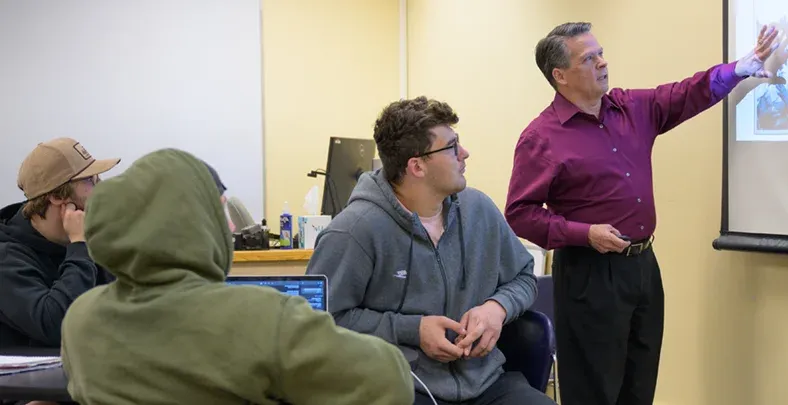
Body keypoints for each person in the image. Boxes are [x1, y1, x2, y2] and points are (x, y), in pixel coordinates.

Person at [504, 22, 780, 405]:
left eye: (600, 52)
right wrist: (585, 233)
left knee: (639, 381)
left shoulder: (630, 107)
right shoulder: (541, 138)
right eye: (590, 58)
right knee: (595, 388)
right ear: (560, 75)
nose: (603, 62)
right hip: (590, 273)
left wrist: (739, 68)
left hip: (643, 267)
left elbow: (687, 93)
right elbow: (520, 214)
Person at [59, 148, 414, 405]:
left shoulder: (81, 319)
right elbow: (388, 383)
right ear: (200, 222)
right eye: (220, 209)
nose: (230, 225)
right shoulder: (261, 317)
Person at [305, 96, 553, 405]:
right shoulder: (353, 232)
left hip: (485, 382)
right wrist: (413, 329)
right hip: (400, 387)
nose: (464, 154)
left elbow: (523, 277)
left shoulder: (479, 210)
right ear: (417, 166)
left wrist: (496, 308)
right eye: (451, 147)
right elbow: (321, 323)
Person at [0, 137, 119, 350]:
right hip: (29, 383)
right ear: (56, 195)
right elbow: (57, 327)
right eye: (90, 181)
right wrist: (80, 246)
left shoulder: (86, 238)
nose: (100, 189)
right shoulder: (7, 256)